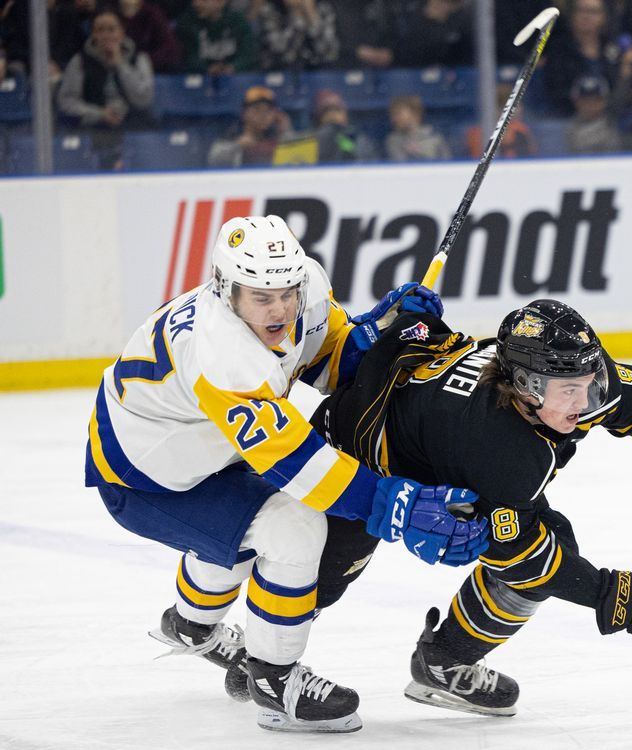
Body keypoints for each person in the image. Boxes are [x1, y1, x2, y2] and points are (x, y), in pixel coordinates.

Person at [84, 215, 490, 732]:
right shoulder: (221, 354)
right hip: (141, 475)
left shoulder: (307, 289)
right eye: (262, 296)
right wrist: (392, 504)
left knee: (240, 538)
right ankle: (274, 681)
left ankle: (189, 626)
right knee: (294, 528)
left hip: (202, 449)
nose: (279, 308)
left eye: (286, 292)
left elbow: (325, 359)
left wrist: (380, 331)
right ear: (226, 290)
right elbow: (295, 461)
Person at [302, 299, 632, 716]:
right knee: (311, 584)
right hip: (350, 460)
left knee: (553, 541)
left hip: (426, 430)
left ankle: (443, 663)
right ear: (524, 386)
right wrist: (614, 595)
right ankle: (258, 659)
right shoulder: (508, 452)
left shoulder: (569, 380)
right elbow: (521, 556)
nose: (584, 403)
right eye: (570, 393)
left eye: (590, 384)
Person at [56, 7, 154, 169]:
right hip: (94, 130)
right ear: (93, 34)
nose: (106, 35)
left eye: (111, 29)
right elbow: (67, 101)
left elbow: (144, 98)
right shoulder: (80, 61)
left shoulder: (139, 59)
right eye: (100, 30)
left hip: (134, 126)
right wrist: (99, 113)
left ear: (122, 32)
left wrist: (120, 65)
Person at [207, 85, 293, 167]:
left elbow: (293, 158)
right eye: (257, 109)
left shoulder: (277, 138)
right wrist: (238, 145)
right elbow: (213, 159)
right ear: (244, 112)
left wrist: (285, 131)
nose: (263, 115)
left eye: (268, 110)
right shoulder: (231, 137)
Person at [174, 0, 256, 74]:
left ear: (221, 2)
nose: (196, 4)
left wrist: (233, 67)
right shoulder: (186, 23)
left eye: (204, 1)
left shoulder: (238, 21)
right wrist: (206, 68)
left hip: (235, 78)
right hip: (198, 78)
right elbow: (186, 57)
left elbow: (248, 55)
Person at [566, 73, 622, 154]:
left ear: (604, 102)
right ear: (576, 102)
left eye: (596, 100)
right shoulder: (567, 129)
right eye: (585, 100)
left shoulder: (613, 127)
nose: (590, 105)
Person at [384, 94, 451, 161]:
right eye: (392, 114)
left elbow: (448, 164)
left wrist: (419, 153)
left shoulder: (435, 138)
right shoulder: (393, 140)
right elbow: (397, 166)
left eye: (398, 113)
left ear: (415, 113)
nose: (393, 119)